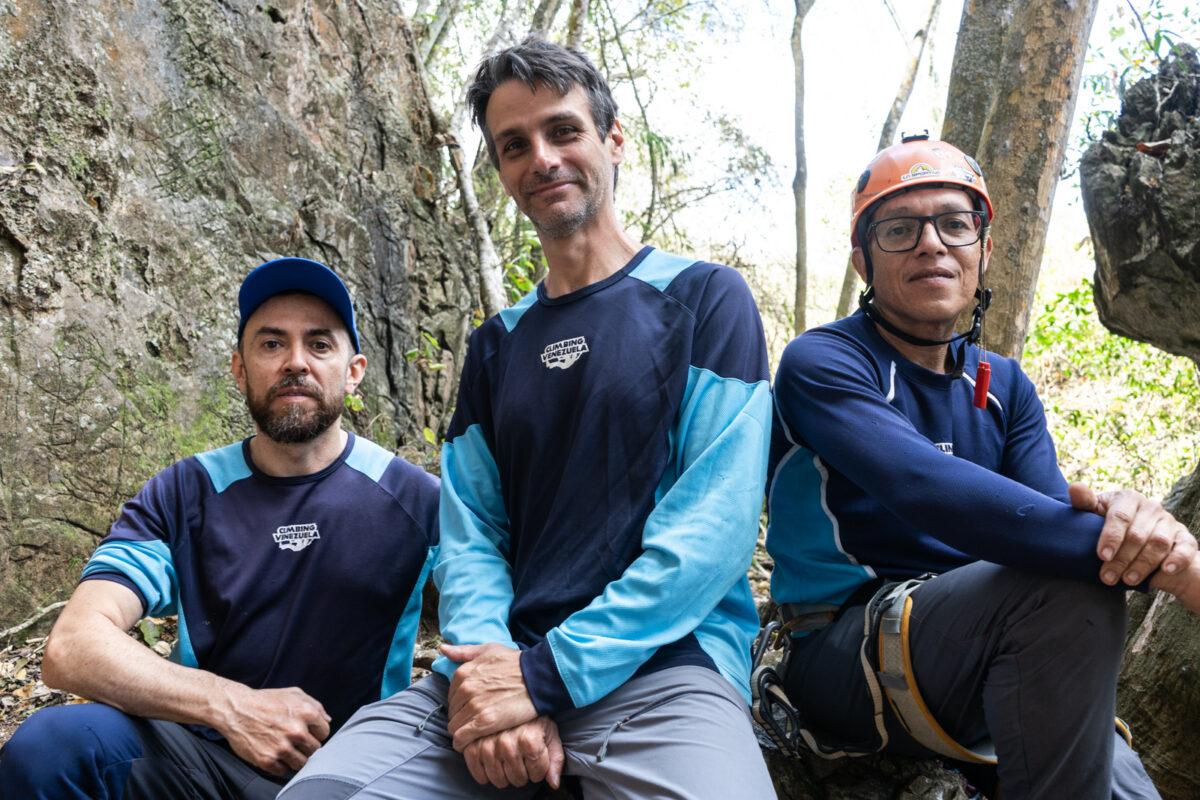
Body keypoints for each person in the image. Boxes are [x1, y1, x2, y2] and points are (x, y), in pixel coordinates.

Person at [279, 36, 776, 799]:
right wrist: (491, 678)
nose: (541, 158)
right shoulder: (496, 346)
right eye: (514, 145)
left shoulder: (706, 300)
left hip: (665, 673)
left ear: (613, 139)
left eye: (563, 131)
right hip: (494, 672)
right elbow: (471, 531)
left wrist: (546, 679)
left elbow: (712, 530)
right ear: (503, 171)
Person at [759, 132, 1200, 799]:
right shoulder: (825, 362)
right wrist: (1176, 565)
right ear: (862, 260)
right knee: (1070, 587)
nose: (932, 243)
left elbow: (1047, 524)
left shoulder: (1004, 385)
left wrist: (1132, 524)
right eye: (900, 229)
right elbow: (928, 490)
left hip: (980, 644)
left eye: (954, 224)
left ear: (983, 249)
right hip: (836, 648)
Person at [0, 257, 440, 800]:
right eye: (272, 344)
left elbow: (499, 622)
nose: (296, 362)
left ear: (354, 371)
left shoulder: (417, 499)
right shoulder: (184, 493)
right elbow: (73, 646)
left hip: (354, 769)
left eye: (320, 344)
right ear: (239, 369)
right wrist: (232, 706)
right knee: (53, 746)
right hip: (200, 761)